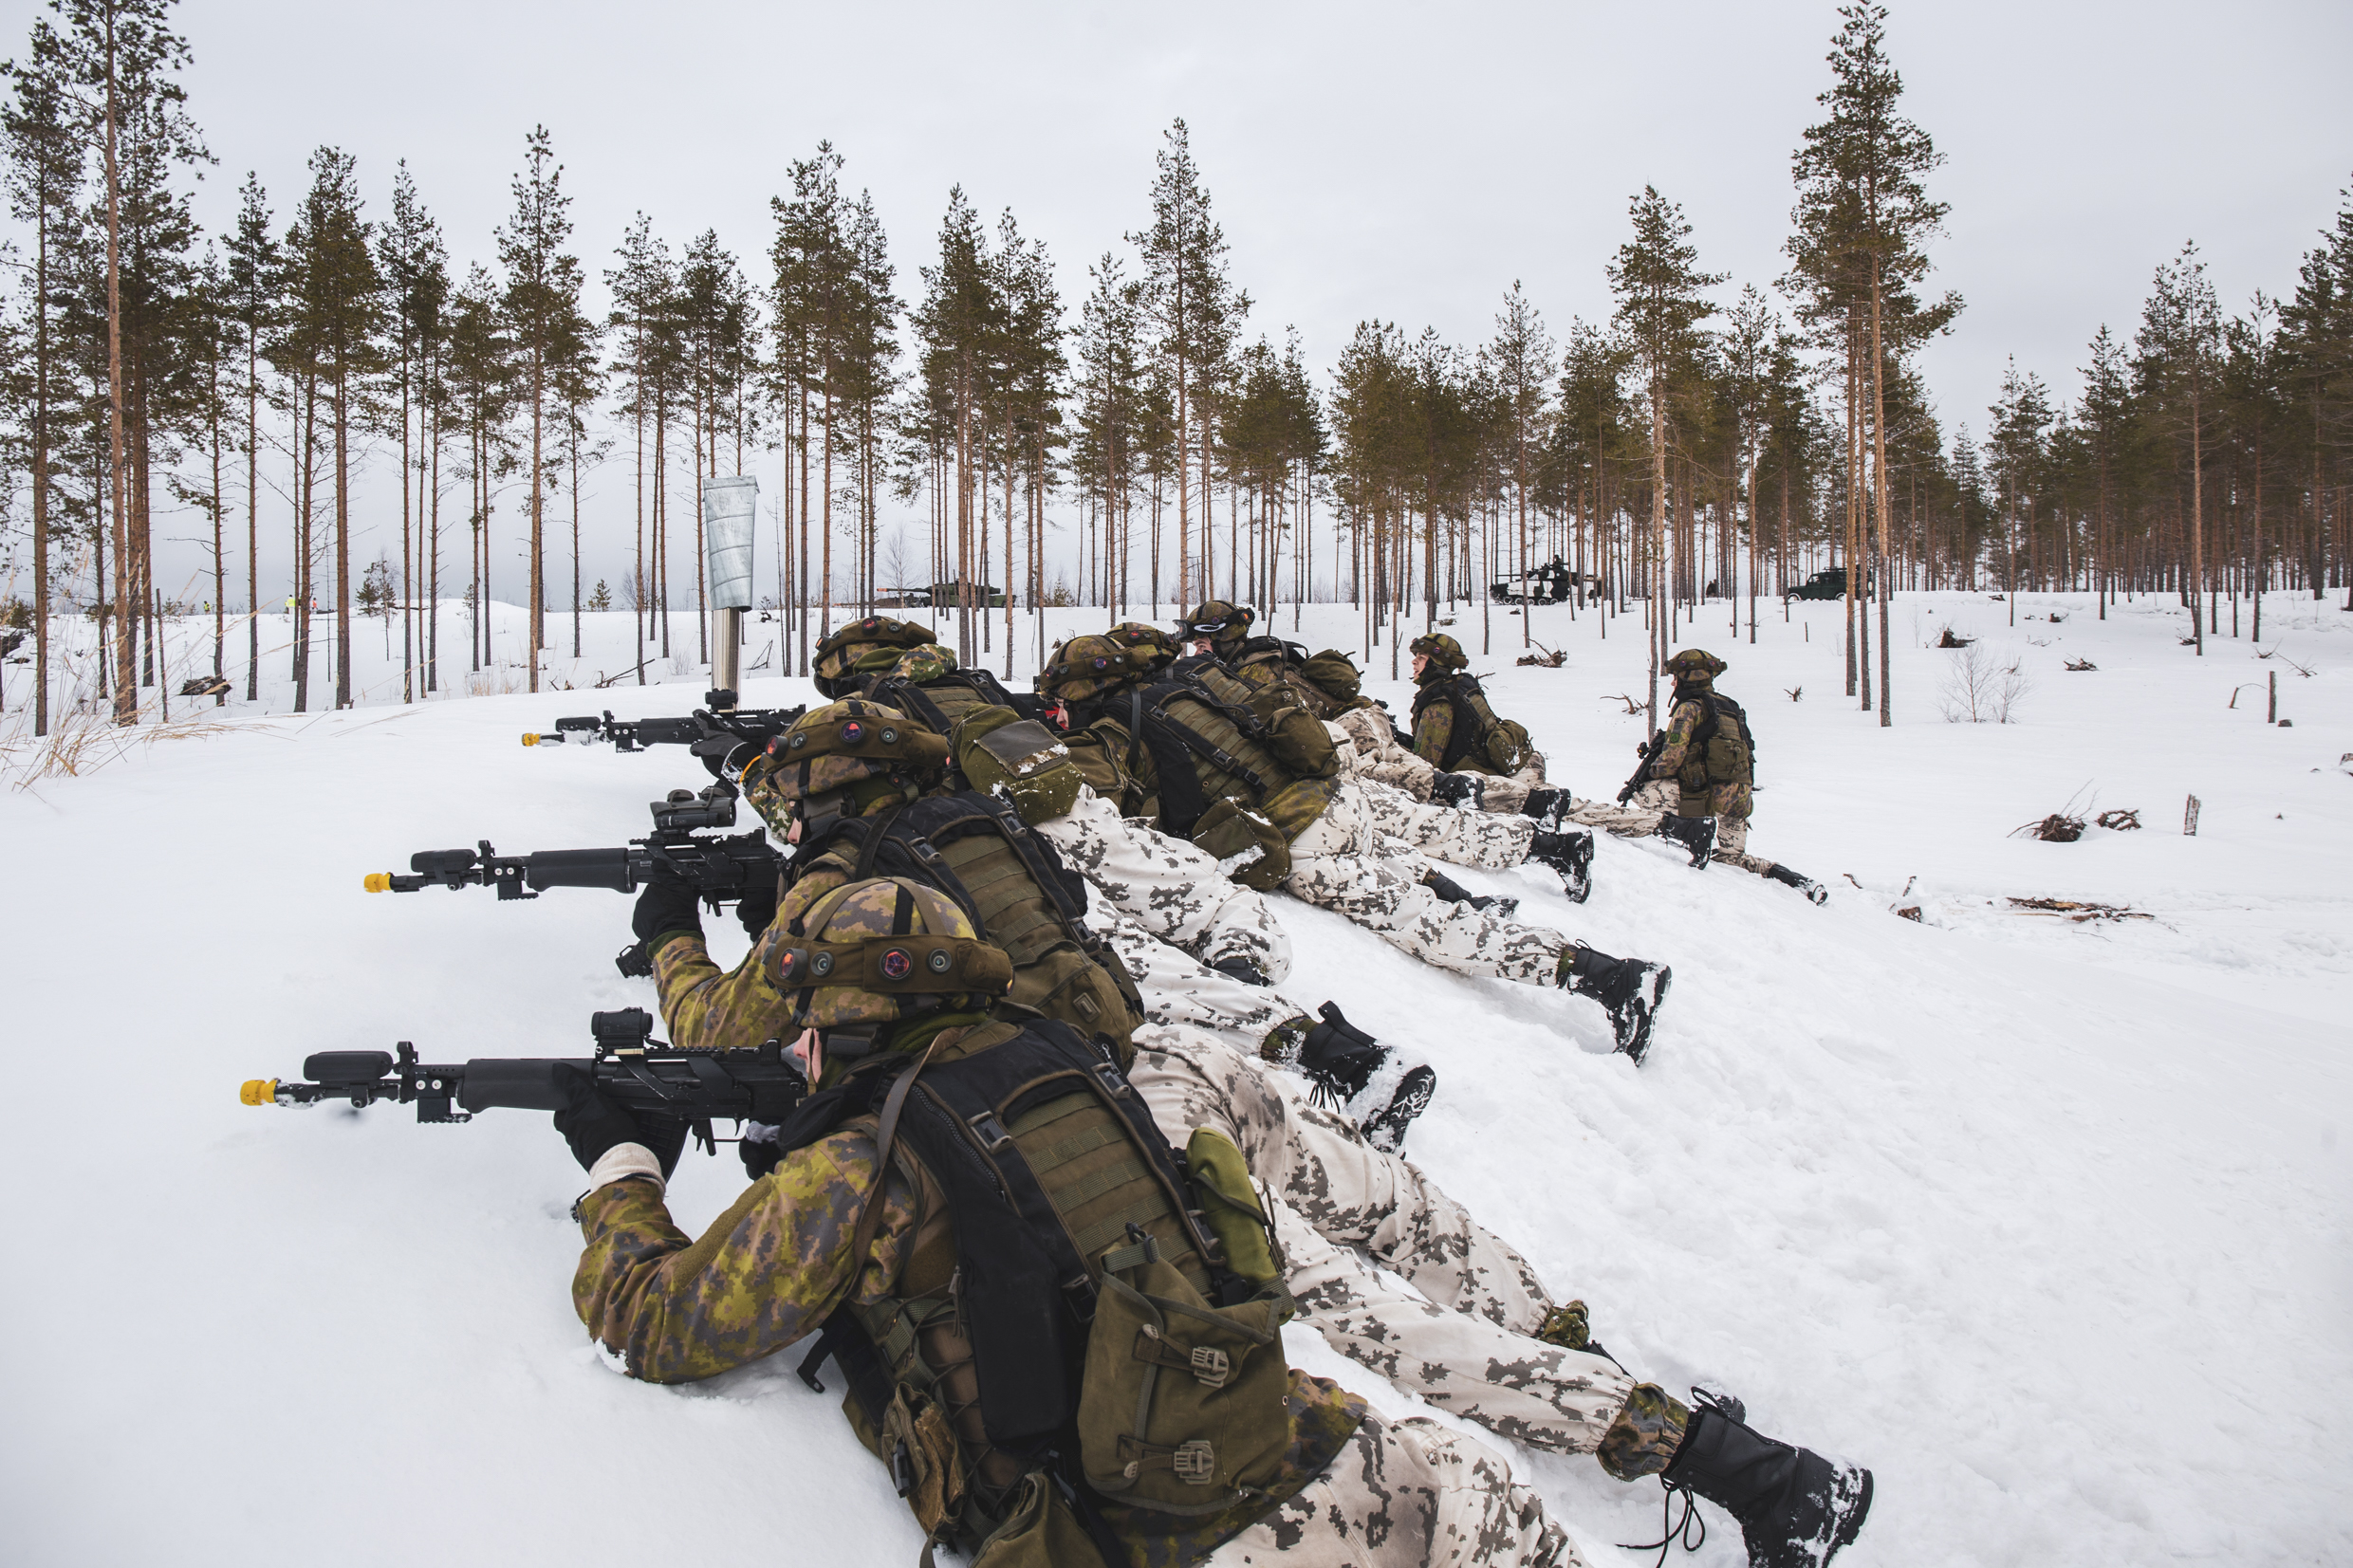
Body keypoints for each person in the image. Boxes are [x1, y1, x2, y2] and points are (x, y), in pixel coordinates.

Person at [603, 876, 1876, 1568]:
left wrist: (619, 1158)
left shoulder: (855, 1153)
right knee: (1394, 1233)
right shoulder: (1033, 1007)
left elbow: (663, 1322)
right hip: (1168, 1137)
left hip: (1159, 1513)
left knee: (1372, 1317)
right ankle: (1681, 1426)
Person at [703, 698, 1436, 1146]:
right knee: (1160, 982)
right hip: (1048, 904)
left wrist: (742, 778)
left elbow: (734, 1018)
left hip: (1015, 989)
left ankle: (1328, 1077)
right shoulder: (942, 759)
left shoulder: (846, 836)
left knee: (1159, 1032)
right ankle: (1340, 1056)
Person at [1040, 632, 1670, 1062]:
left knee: (1426, 926)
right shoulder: (1197, 684)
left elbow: (1106, 823)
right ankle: (1511, 908)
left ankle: (1609, 977)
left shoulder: (1114, 732)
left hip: (1304, 838)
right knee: (1405, 866)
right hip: (1339, 797)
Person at [1547, 650, 1826, 905]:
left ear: (1687, 677)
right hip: (1739, 798)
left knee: (1646, 792)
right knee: (1731, 860)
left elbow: (1671, 758)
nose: (1673, 683)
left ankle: (1679, 834)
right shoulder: (1731, 706)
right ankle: (1788, 878)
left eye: (1676, 677)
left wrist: (1648, 774)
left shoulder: (1690, 707)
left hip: (1705, 795)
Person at [1407, 633, 1552, 811]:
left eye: (1421, 658)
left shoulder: (1439, 704)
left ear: (1437, 664)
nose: (1414, 662)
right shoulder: (1460, 686)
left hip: (1479, 781)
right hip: (1494, 766)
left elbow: (1425, 767)